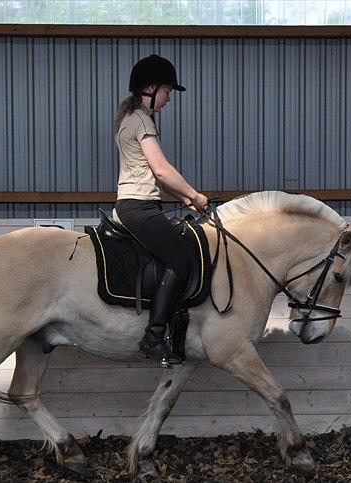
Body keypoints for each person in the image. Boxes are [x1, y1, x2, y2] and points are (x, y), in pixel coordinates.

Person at [113, 54, 209, 368]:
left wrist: (183, 200)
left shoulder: (130, 116)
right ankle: (153, 335)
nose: (168, 99)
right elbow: (161, 170)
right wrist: (195, 194)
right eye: (167, 91)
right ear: (151, 88)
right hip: (139, 208)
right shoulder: (141, 119)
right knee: (181, 258)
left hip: (135, 204)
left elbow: (151, 174)